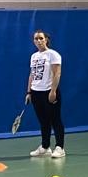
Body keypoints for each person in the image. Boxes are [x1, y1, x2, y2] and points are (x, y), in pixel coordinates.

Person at [26, 30, 65, 158]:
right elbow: (32, 74)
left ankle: (60, 148)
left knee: (55, 120)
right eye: (36, 38)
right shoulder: (34, 56)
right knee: (43, 121)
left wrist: (53, 91)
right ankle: (45, 147)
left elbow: (57, 73)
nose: (38, 41)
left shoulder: (53, 55)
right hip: (36, 93)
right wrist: (29, 92)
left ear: (46, 40)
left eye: (41, 38)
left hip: (49, 92)